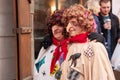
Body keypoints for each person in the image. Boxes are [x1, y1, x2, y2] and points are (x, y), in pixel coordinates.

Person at [60, 4, 115, 80]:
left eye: (73, 23)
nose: (68, 28)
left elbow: (100, 76)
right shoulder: (70, 46)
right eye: (67, 24)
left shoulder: (95, 47)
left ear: (82, 23)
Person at [33, 9, 68, 80]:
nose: (56, 28)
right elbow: (36, 68)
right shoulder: (47, 46)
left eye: (60, 25)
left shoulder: (72, 47)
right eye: (53, 25)